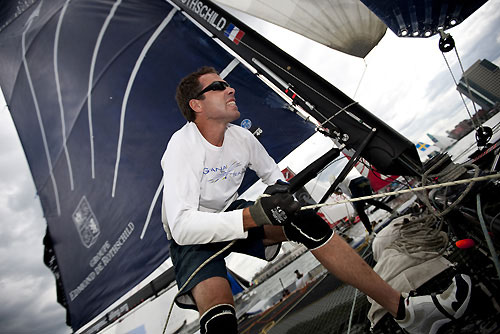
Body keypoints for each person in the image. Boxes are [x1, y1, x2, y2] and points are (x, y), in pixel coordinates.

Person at [161, 66, 471, 334]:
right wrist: (256, 215)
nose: (230, 88)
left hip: (230, 213)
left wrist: (282, 194)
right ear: (196, 105)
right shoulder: (182, 146)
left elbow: (273, 177)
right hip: (192, 235)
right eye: (218, 86)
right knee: (221, 321)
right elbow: (182, 226)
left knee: (305, 221)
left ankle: (407, 313)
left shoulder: (242, 138)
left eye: (227, 83)